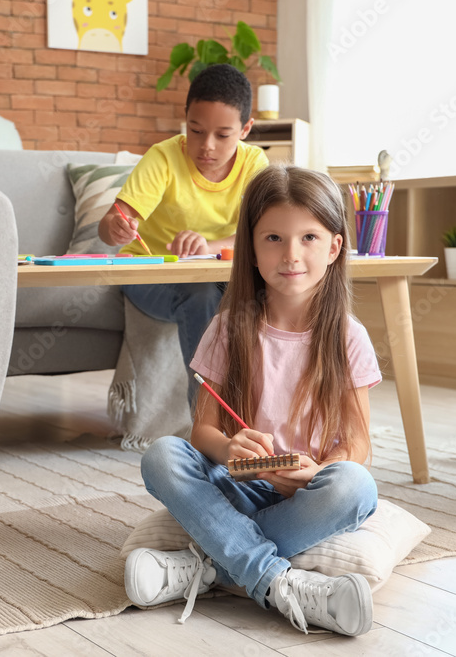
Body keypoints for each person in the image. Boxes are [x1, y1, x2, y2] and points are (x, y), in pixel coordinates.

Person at [123, 165, 382, 636]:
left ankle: (204, 567)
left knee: (356, 487)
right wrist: (227, 449)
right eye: (273, 239)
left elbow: (358, 445)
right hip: (234, 485)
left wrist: (318, 473)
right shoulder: (227, 326)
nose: (292, 254)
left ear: (334, 247)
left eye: (309, 238)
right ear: (252, 249)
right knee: (162, 455)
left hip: (306, 493)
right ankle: (277, 579)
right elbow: (201, 431)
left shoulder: (349, 337)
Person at [98, 64, 270, 403]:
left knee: (275, 289)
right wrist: (114, 227)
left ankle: (276, 411)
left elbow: (263, 234)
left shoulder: (255, 165)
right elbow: (110, 224)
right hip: (148, 273)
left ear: (246, 129)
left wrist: (209, 246)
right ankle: (209, 425)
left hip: (217, 270)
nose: (207, 146)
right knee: (202, 295)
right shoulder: (162, 157)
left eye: (222, 135)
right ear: (186, 119)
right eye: (195, 130)